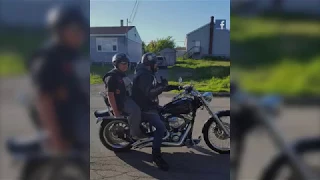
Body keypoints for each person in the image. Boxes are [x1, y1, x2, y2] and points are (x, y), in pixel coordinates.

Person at [8, 5, 90, 163]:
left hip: (78, 113)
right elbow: (43, 100)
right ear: (59, 29)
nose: (80, 34)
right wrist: (56, 139)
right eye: (75, 29)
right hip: (66, 121)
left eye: (82, 30)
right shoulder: (48, 58)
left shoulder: (72, 54)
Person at [131, 52, 170, 171]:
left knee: (168, 113)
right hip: (145, 108)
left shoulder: (147, 73)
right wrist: (162, 87)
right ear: (150, 64)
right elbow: (149, 93)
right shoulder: (144, 75)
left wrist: (171, 87)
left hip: (150, 105)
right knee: (160, 127)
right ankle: (156, 157)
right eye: (155, 64)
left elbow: (153, 87)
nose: (157, 66)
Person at [103, 53, 143, 140]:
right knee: (136, 111)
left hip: (125, 98)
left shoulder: (121, 74)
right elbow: (110, 95)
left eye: (127, 63)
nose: (126, 65)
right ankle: (135, 134)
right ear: (116, 64)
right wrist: (116, 111)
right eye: (123, 63)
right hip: (120, 101)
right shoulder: (112, 76)